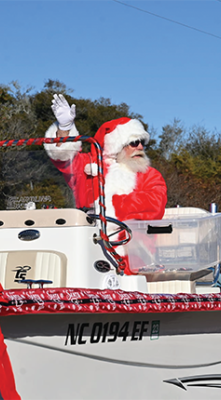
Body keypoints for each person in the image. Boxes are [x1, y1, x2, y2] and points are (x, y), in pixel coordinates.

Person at [44, 94, 167, 274]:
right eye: (134, 142)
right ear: (117, 145)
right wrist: (64, 129)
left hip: (133, 257)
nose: (140, 147)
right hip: (86, 250)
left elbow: (155, 205)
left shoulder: (149, 175)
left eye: (142, 142)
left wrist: (109, 208)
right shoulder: (88, 167)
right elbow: (63, 158)